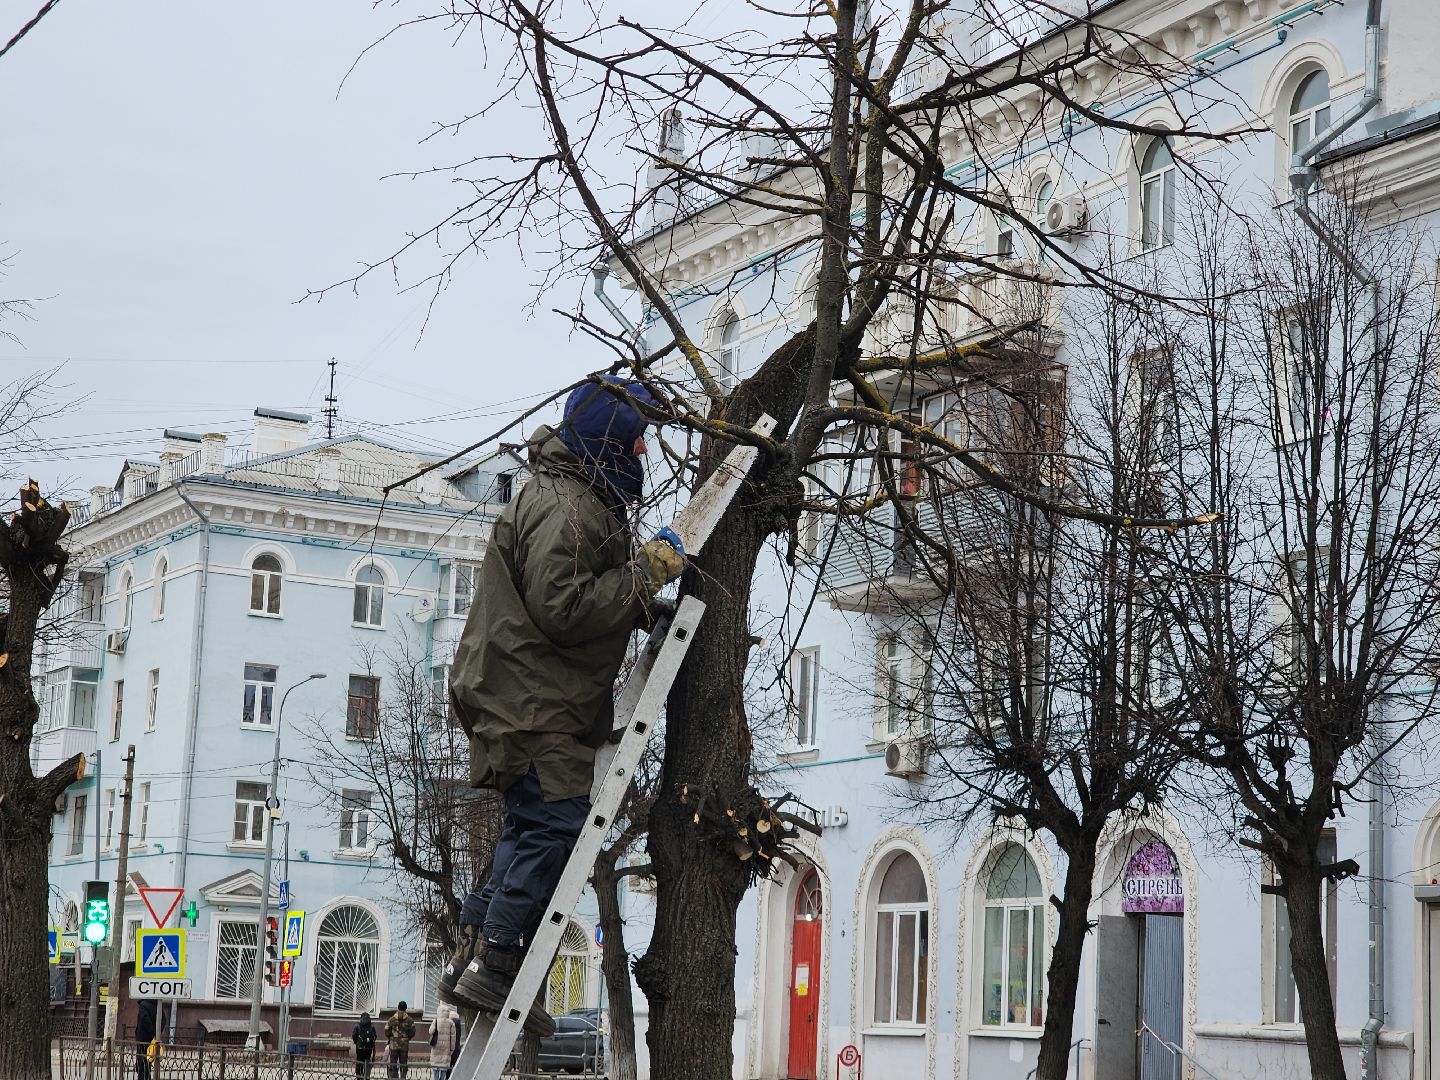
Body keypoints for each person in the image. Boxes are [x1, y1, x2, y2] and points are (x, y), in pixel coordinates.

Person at [439, 378, 683, 1031]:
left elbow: (568, 596)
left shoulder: (567, 497)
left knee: (529, 827)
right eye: (635, 440)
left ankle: (472, 950)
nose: (641, 453)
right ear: (609, 442)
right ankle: (497, 969)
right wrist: (645, 575)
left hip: (520, 690)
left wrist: (637, 603)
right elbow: (565, 606)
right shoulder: (571, 508)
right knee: (553, 826)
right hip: (532, 698)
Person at [429, 1002, 461, 1079]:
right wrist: (452, 1049)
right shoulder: (451, 1023)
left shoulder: (435, 1021)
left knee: (436, 1067)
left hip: (436, 1048)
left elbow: (430, 1031)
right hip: (446, 1049)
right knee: (444, 1068)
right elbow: (453, 1038)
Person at [385, 1002, 416, 1079]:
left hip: (393, 1045)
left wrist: (391, 1038)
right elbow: (412, 1032)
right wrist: (407, 1038)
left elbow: (387, 1030)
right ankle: (403, 1077)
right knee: (403, 1063)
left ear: (398, 1008)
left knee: (393, 1063)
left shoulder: (392, 1019)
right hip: (404, 1045)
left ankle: (393, 1078)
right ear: (406, 1009)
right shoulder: (410, 1020)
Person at [134, 999, 157, 1080]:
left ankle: (142, 1077)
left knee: (142, 1061)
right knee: (148, 1061)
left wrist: (151, 1031)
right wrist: (156, 1033)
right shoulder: (157, 1005)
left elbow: (144, 1019)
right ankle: (147, 1077)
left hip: (143, 1038)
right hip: (151, 1039)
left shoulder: (144, 1005)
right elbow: (163, 1019)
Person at [352, 1012, 378, 1079]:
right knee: (367, 1061)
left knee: (359, 1061)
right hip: (369, 1048)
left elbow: (354, 1036)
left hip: (360, 1047)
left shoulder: (357, 1025)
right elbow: (375, 1036)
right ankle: (366, 1076)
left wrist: (357, 1042)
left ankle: (359, 1076)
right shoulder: (372, 1026)